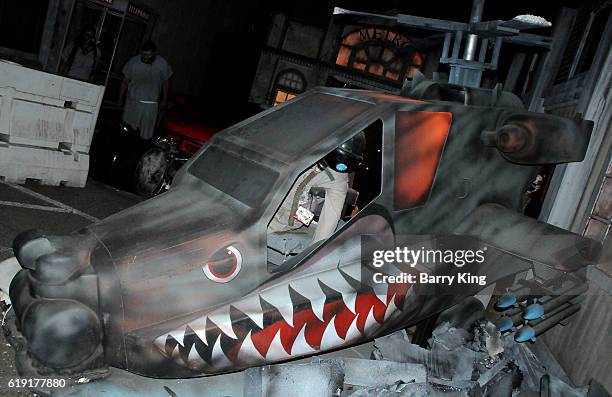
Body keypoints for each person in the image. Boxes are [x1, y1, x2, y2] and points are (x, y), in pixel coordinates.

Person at [267, 132, 366, 262]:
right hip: (266, 216)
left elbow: (330, 219)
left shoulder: (339, 178)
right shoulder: (297, 150)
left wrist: (313, 257)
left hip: (290, 225)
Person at [119, 41, 172, 140]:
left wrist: (165, 99)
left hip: (151, 105)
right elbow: (125, 81)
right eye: (144, 54)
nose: (146, 57)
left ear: (155, 53)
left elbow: (166, 82)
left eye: (149, 55)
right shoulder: (133, 62)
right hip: (133, 102)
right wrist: (120, 99)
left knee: (146, 134)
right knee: (127, 130)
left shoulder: (162, 63)